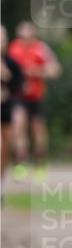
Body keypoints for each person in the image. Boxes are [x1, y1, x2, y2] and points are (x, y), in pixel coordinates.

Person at [8, 20, 61, 179]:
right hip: (18, 96)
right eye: (22, 36)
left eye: (28, 36)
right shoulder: (13, 48)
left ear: (34, 35)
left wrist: (36, 72)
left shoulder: (41, 48)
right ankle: (20, 162)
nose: (24, 39)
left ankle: (39, 163)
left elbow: (55, 70)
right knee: (19, 125)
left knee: (38, 130)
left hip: (36, 97)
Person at [1, 24, 24, 192]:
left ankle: (1, 183)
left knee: (6, 147)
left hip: (6, 108)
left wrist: (5, 74)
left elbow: (18, 85)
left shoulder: (12, 64)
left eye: (2, 38)